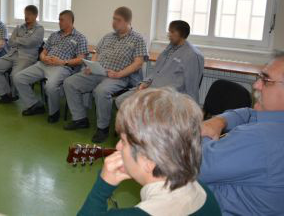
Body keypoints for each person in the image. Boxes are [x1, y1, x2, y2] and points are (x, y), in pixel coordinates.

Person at [78, 88, 221, 216]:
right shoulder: (204, 193)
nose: (118, 147)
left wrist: (102, 187)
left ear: (149, 161)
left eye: (123, 141)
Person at [199, 51, 284, 215]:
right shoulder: (272, 121)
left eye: (266, 80)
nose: (256, 85)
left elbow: (193, 166)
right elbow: (249, 113)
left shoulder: (261, 139)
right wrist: (220, 121)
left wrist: (204, 133)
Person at [64, 7, 148, 143]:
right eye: (113, 19)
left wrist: (119, 74)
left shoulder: (138, 39)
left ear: (128, 21)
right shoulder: (108, 36)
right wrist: (92, 66)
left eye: (118, 20)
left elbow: (138, 63)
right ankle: (80, 119)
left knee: (101, 91)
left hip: (119, 76)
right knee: (69, 82)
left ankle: (102, 128)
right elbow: (96, 53)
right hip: (98, 72)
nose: (114, 22)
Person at [14, 10, 88, 123]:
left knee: (50, 86)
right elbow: (43, 52)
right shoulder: (54, 35)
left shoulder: (79, 38)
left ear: (69, 21)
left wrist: (62, 62)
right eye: (59, 19)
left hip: (61, 67)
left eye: (61, 20)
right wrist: (43, 57)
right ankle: (35, 105)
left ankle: (54, 112)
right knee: (18, 78)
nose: (59, 22)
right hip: (43, 64)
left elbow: (80, 59)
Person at [115, 20, 204, 108]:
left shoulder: (192, 55)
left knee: (138, 107)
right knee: (121, 100)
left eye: (172, 32)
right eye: (169, 31)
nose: (169, 34)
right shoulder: (171, 48)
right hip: (152, 87)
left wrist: (191, 107)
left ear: (182, 34)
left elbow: (191, 86)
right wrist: (145, 83)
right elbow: (156, 71)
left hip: (168, 95)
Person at [0, 5, 44, 104]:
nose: (26, 17)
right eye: (25, 14)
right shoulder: (19, 27)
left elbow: (31, 42)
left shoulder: (39, 29)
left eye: (29, 15)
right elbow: (10, 42)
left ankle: (16, 95)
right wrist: (22, 40)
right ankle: (7, 94)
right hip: (12, 54)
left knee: (15, 75)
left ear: (35, 16)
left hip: (27, 57)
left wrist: (17, 39)